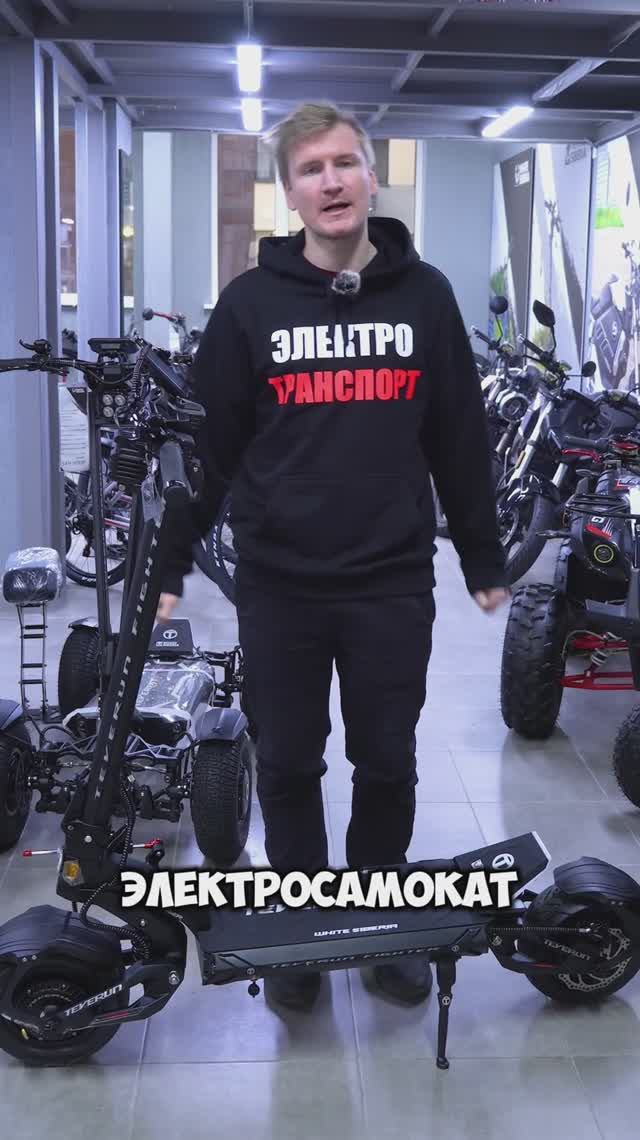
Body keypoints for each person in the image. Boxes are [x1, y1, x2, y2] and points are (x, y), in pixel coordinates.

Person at [158, 102, 509, 1011]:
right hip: (280, 585)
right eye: (311, 168)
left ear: (371, 176)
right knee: (287, 765)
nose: (331, 180)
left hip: (390, 579)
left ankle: (379, 925)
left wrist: (482, 556)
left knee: (386, 762)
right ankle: (303, 934)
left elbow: (459, 435)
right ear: (291, 192)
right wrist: (169, 562)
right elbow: (209, 447)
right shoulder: (250, 305)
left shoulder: (425, 296)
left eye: (345, 162)